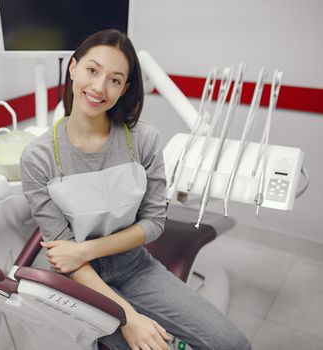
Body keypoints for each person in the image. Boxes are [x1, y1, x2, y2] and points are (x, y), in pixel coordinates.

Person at [20, 29, 250, 350]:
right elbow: (65, 258)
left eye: (115, 80)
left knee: (232, 344)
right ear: (72, 68)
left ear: (125, 88)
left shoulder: (143, 140)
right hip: (79, 281)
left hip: (134, 267)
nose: (99, 87)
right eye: (92, 70)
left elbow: (154, 222)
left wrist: (86, 249)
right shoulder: (39, 157)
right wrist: (129, 317)